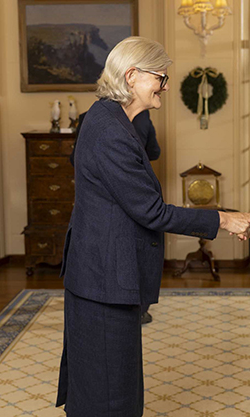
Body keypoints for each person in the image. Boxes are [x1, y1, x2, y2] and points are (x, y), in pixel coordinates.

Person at [56, 36, 250, 416]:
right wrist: (224, 218)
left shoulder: (108, 118)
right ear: (132, 76)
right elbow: (153, 212)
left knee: (107, 386)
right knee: (110, 397)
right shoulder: (112, 131)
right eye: (160, 77)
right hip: (103, 280)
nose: (164, 86)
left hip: (100, 274)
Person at [71, 109, 160, 325]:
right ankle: (139, 309)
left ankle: (133, 308)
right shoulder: (136, 121)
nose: (164, 87)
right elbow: (155, 152)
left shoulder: (90, 117)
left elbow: (75, 158)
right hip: (133, 201)